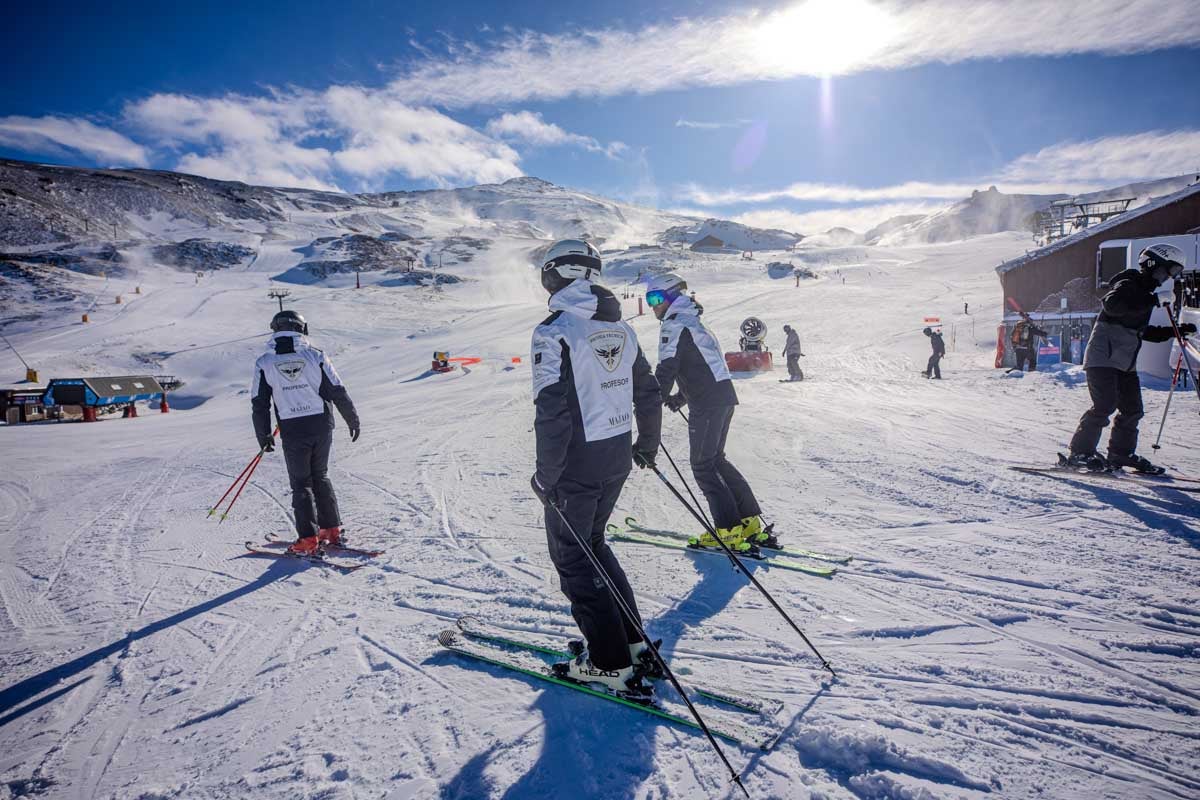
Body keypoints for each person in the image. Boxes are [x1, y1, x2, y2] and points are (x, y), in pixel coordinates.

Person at [530, 239, 663, 697]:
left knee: (572, 557)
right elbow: (647, 391)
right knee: (594, 545)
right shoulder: (622, 328)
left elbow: (551, 411)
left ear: (556, 275)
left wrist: (546, 476)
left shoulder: (554, 331)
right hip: (616, 456)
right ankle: (632, 643)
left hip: (574, 467)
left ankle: (609, 663)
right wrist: (647, 444)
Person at [645, 273, 768, 551]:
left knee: (703, 466)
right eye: (649, 299)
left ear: (672, 297)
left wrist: (650, 405)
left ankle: (727, 530)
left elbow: (667, 370)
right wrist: (681, 397)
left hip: (709, 402)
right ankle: (748, 522)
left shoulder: (673, 325)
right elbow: (701, 366)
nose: (653, 306)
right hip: (722, 397)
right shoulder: (693, 320)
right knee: (716, 461)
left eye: (656, 298)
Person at [1066, 244, 1196, 473]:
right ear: (1153, 264)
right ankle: (1080, 452)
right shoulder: (1127, 283)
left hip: (1125, 363)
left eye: (1174, 273)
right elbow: (1113, 306)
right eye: (1168, 270)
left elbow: (1142, 331)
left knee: (1132, 409)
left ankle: (1120, 454)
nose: (1168, 277)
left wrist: (1177, 331)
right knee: (1104, 405)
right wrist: (1154, 301)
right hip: (1103, 357)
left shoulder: (1145, 294)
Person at [251, 311, 360, 554]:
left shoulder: (265, 362)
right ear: (302, 329)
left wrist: (263, 434)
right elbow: (337, 390)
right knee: (320, 475)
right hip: (321, 424)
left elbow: (259, 402)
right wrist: (352, 419)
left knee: (301, 484)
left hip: (293, 428)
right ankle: (331, 530)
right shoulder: (316, 356)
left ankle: (308, 539)